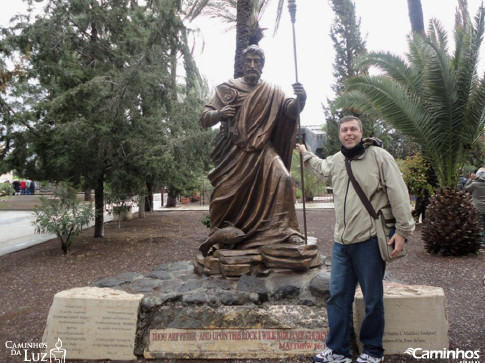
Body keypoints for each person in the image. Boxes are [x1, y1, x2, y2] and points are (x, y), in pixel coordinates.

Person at [296, 115, 415, 363]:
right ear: (339, 134)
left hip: (370, 239)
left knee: (372, 298)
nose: (348, 133)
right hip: (342, 243)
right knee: (338, 296)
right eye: (344, 130)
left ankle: (372, 351)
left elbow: (399, 193)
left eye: (353, 129)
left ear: (361, 132)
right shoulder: (338, 160)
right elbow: (322, 169)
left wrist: (403, 231)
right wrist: (305, 154)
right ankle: (338, 350)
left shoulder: (380, 157)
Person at [200, 45, 306, 249]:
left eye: (257, 61)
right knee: (225, 194)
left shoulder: (273, 91)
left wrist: (300, 100)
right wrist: (220, 114)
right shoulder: (227, 89)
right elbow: (204, 118)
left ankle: (287, 231)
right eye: (248, 60)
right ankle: (219, 233)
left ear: (262, 65)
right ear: (242, 63)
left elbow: (289, 111)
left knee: (283, 178)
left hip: (263, 149)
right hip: (234, 153)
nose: (252, 65)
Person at [464, 168, 485, 248]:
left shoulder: (474, 184)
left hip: (478, 208)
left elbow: (466, 187)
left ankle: (482, 243)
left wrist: (470, 179)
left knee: (480, 225)